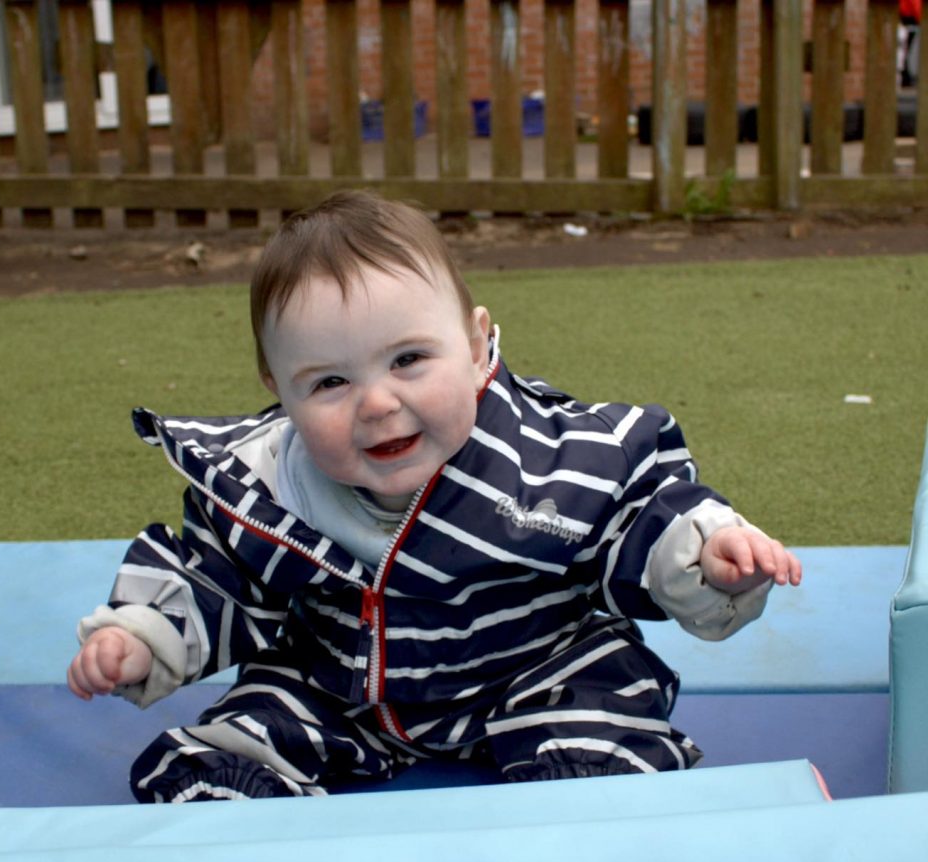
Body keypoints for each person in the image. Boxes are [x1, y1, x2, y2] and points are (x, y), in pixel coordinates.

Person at [67, 190, 802, 802]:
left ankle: (585, 791)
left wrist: (705, 552)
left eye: (410, 359)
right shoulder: (266, 485)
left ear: (477, 344)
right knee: (239, 739)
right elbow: (214, 574)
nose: (377, 403)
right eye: (329, 382)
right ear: (279, 392)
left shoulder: (546, 458)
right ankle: (239, 826)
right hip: (345, 691)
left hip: (532, 669)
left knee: (600, 719)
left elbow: (637, 504)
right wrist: (140, 637)